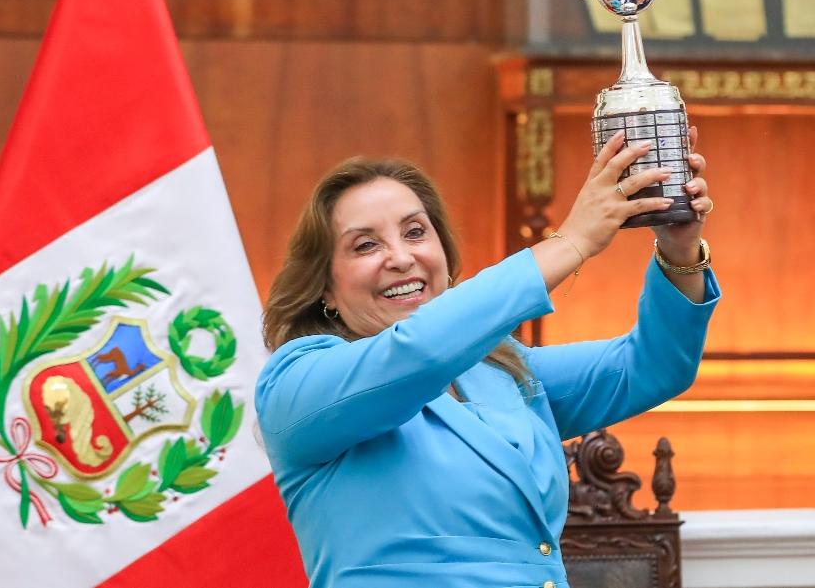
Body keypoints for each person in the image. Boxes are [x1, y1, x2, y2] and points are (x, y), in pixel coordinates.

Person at [256, 131, 719, 588]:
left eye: (416, 232)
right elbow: (418, 351)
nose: (401, 257)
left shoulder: (501, 370)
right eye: (365, 245)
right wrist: (571, 241)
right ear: (325, 290)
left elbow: (653, 365)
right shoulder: (294, 385)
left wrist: (679, 250)